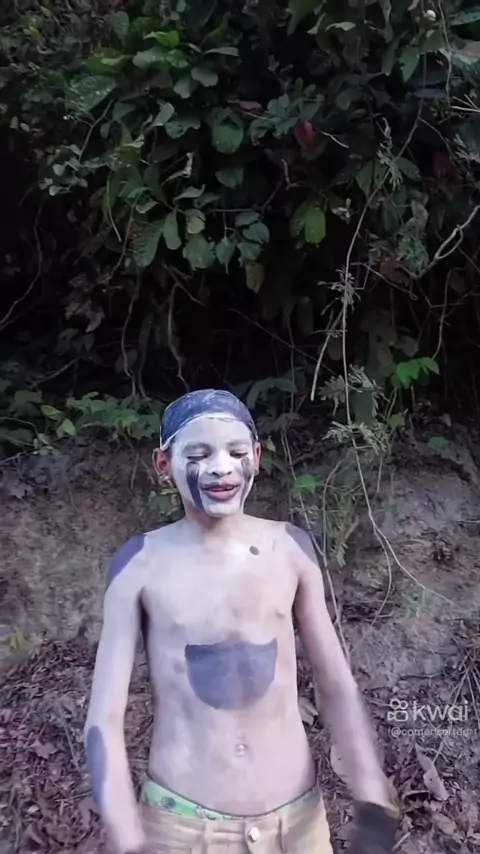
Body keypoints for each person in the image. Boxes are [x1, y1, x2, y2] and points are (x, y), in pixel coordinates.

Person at [84, 389, 399, 854]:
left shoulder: (289, 549)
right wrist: (128, 837)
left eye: (235, 452)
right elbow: (104, 719)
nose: (220, 468)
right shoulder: (139, 564)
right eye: (198, 455)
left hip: (297, 827)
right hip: (181, 828)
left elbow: (336, 685)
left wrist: (371, 793)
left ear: (256, 456)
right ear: (163, 463)